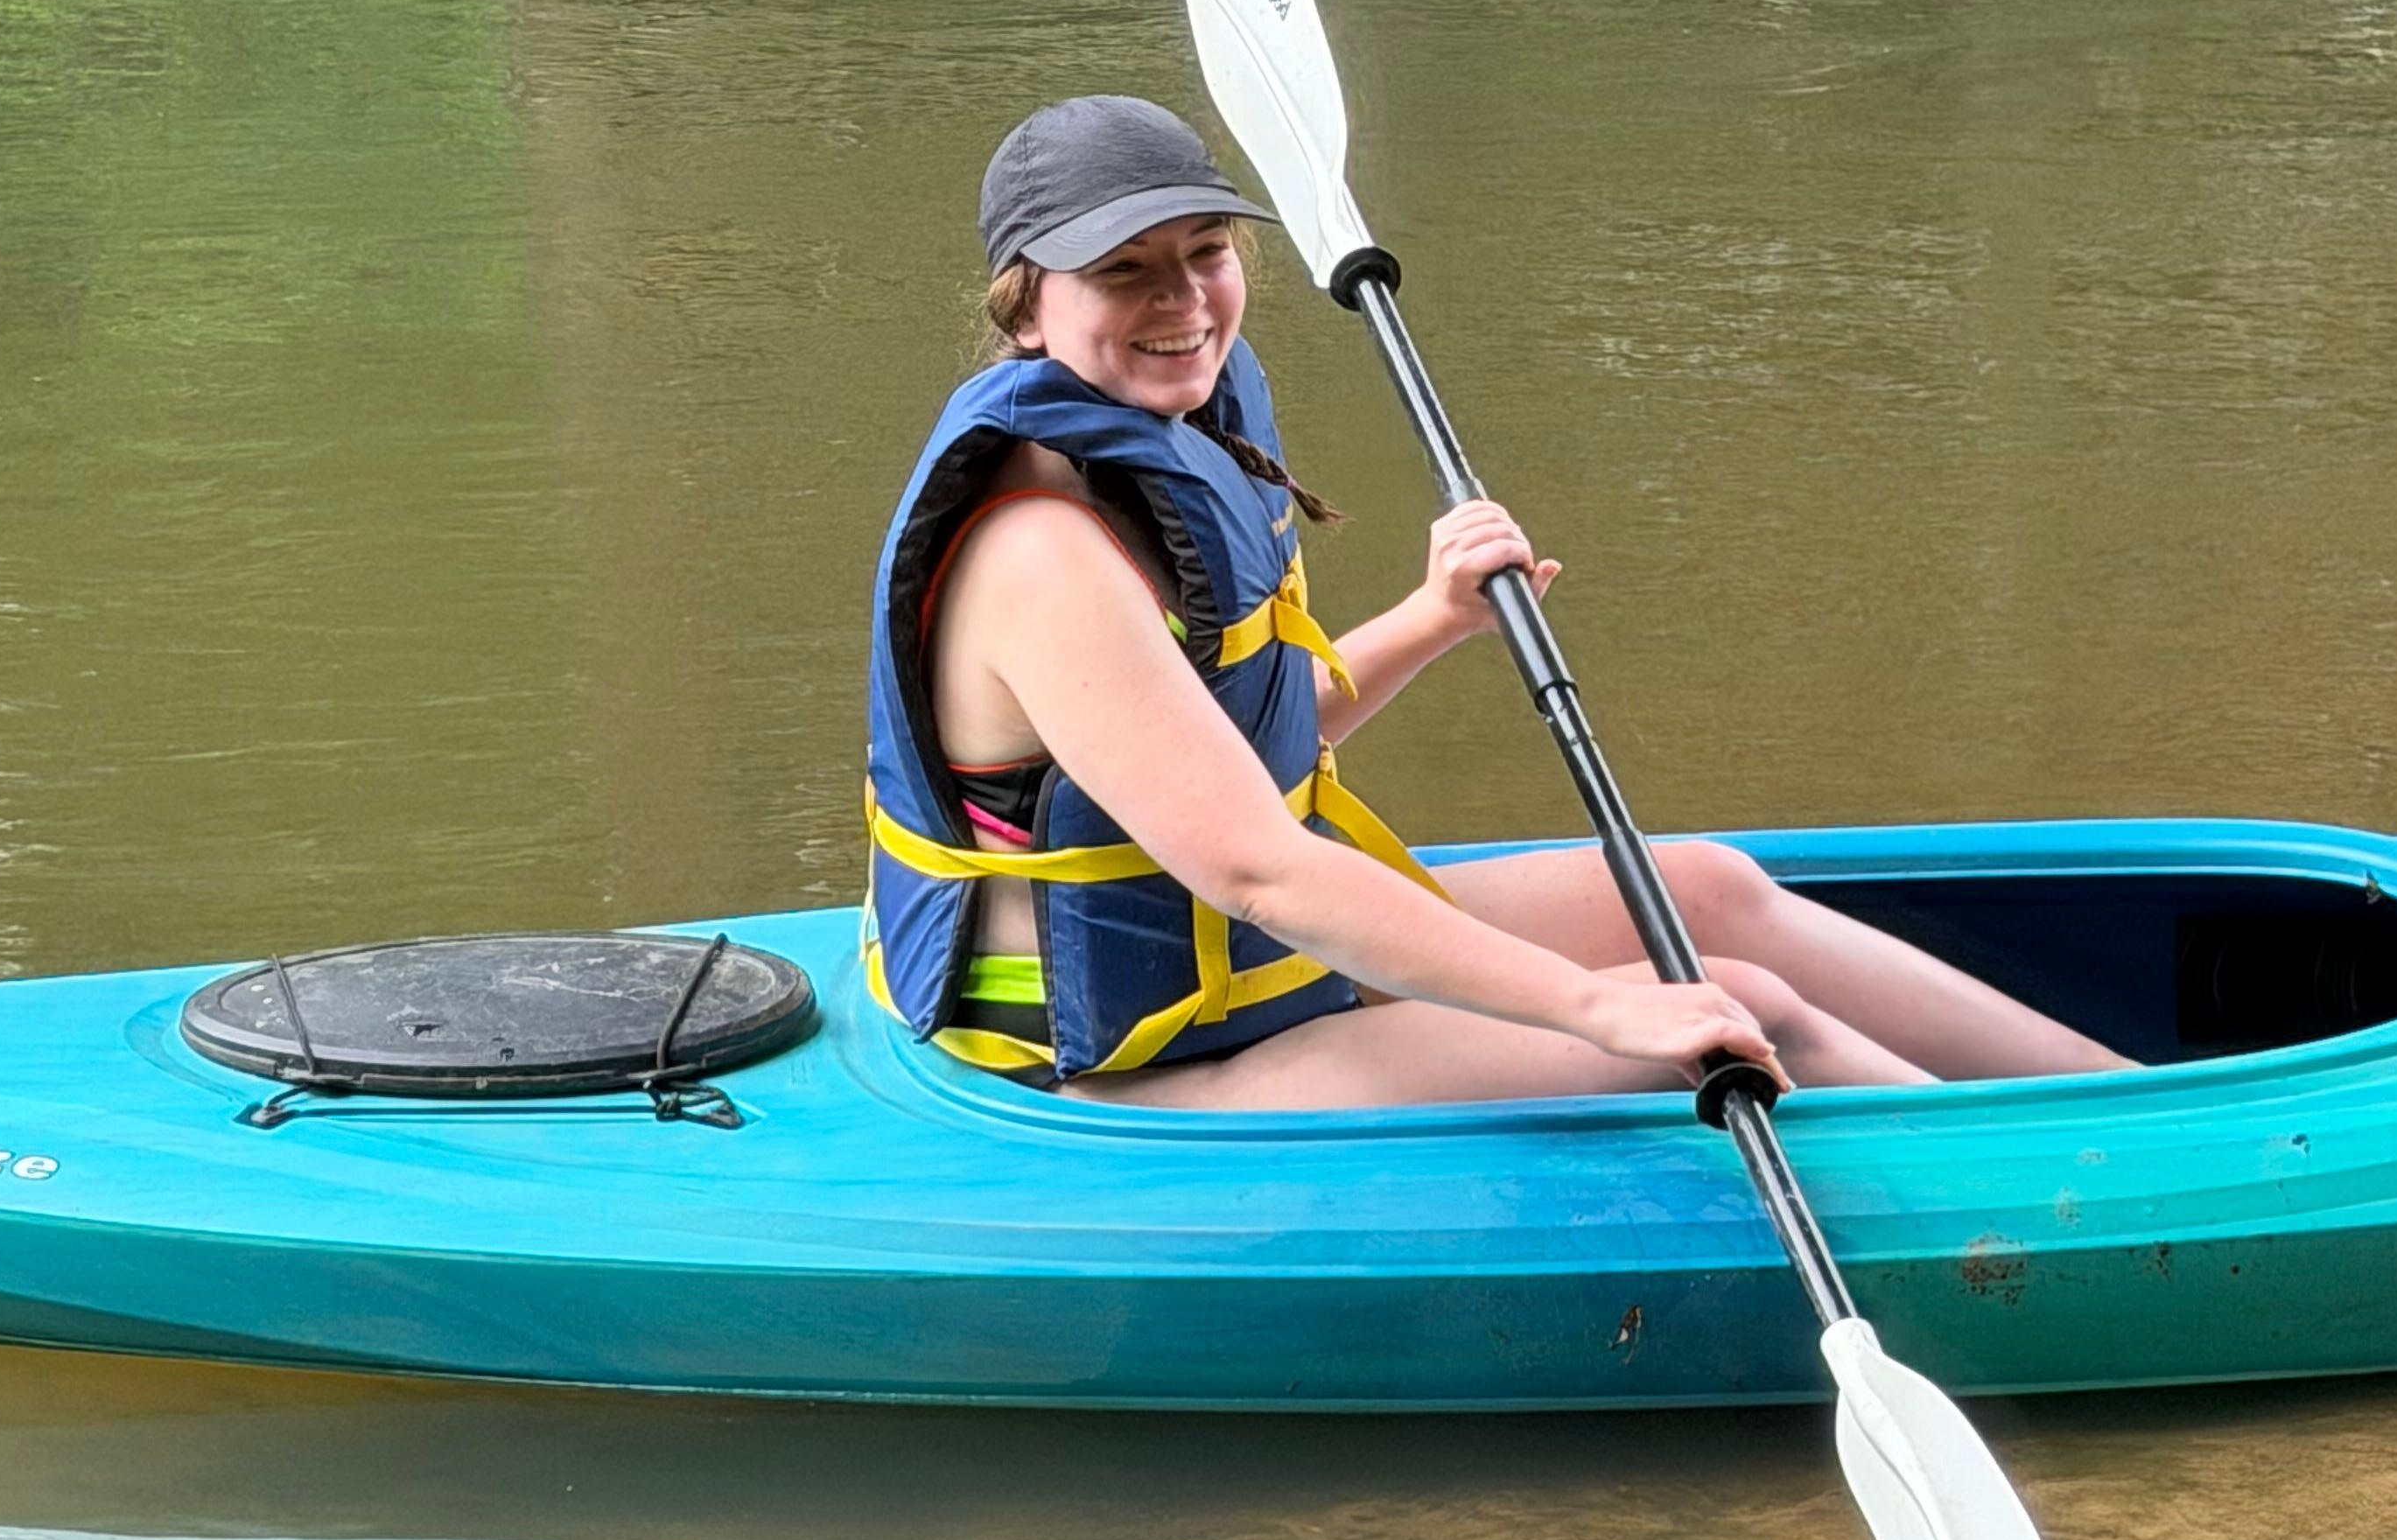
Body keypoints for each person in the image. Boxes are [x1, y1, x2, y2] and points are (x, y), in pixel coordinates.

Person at [863, 95, 2129, 1109]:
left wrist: (1431, 615)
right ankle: (2085, 1208)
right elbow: (1257, 865)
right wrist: (1598, 1008)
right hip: (1143, 1070)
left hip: (1248, 969)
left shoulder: (1144, 447)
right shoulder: (1043, 553)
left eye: (1205, 256)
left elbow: (1229, 748)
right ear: (1028, 305)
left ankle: (2141, 1112)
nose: (1185, 304)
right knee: (1734, 1005)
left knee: (1712, 893)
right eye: (1127, 274)